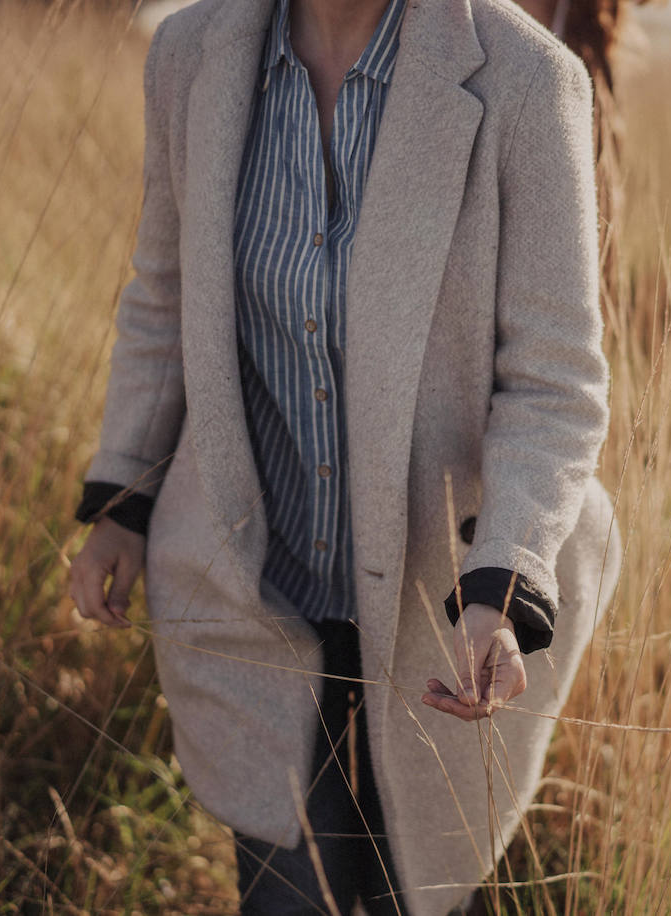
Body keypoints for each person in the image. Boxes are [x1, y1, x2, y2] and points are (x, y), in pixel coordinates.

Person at [67, 0, 621, 912]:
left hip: (448, 613)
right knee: (291, 896)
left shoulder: (530, 81)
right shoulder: (188, 55)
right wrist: (125, 499)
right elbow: (165, 298)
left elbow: (554, 382)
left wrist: (504, 581)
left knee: (431, 892)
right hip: (259, 588)